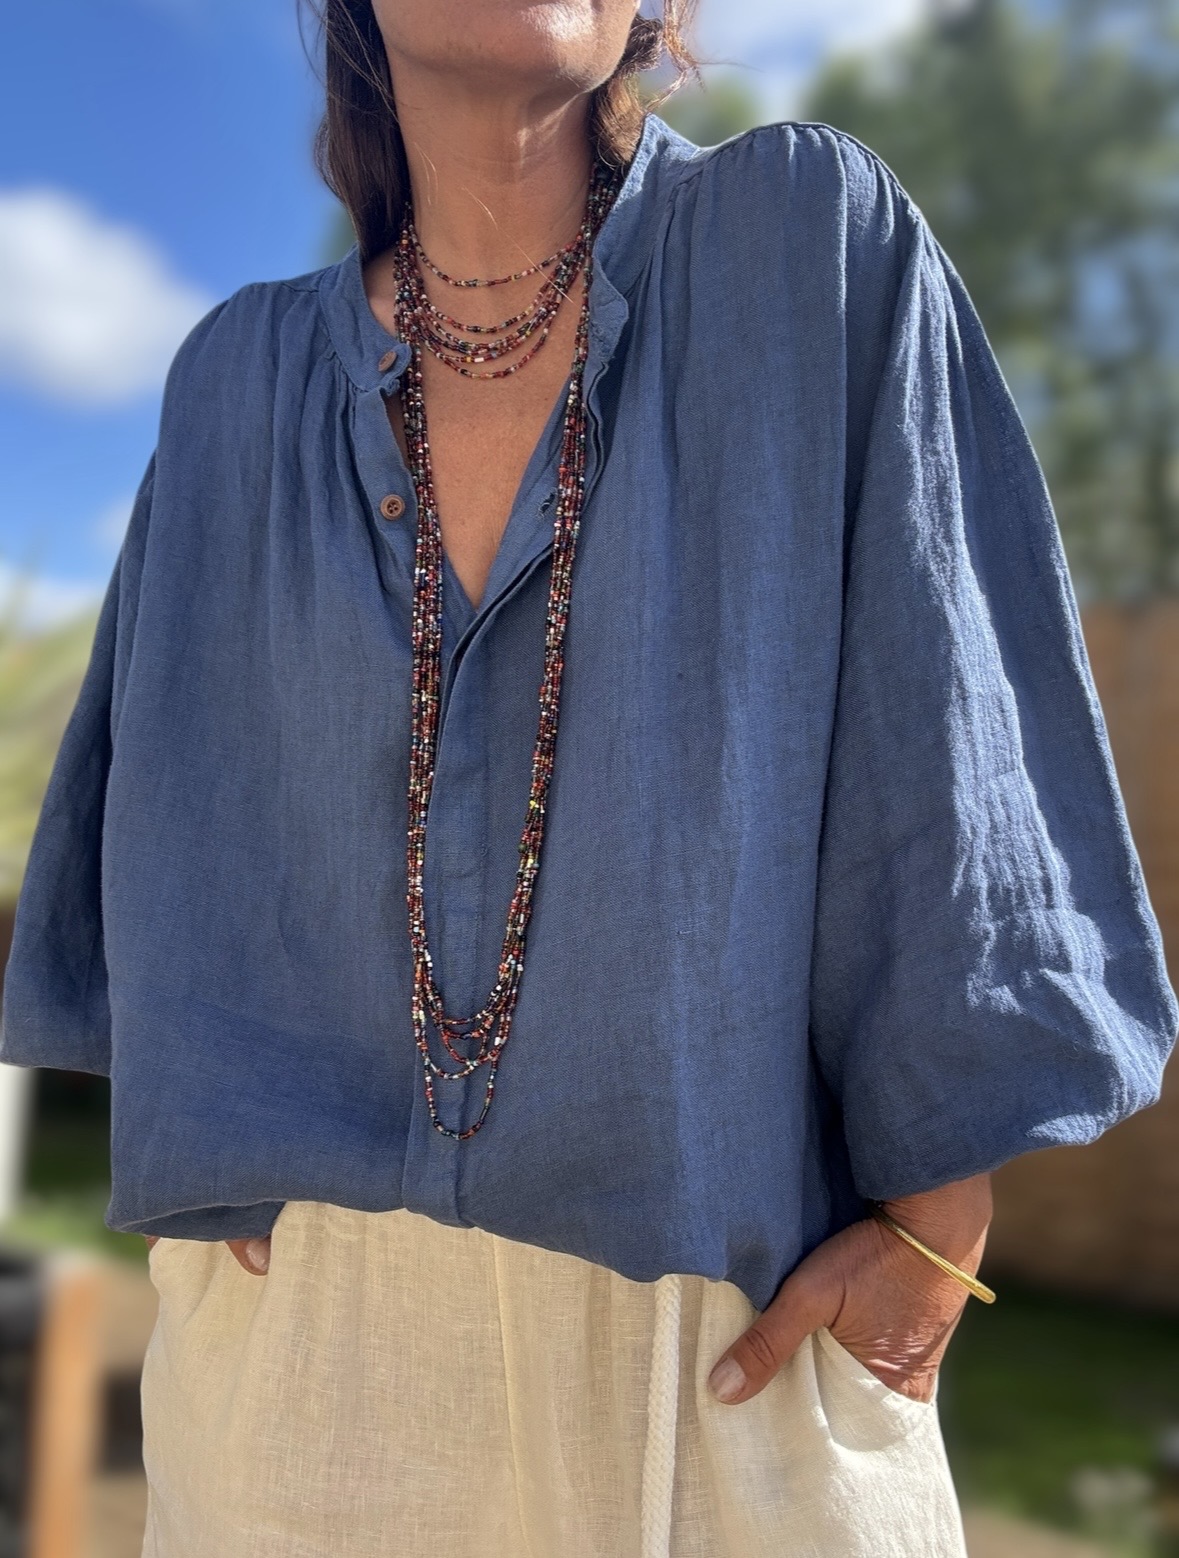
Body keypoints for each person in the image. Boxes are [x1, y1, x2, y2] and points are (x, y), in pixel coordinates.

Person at [2, 0, 1176, 1554]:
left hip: (730, 1362)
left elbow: (954, 738)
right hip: (298, 1390)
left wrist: (936, 1221)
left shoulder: (806, 244)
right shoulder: (234, 383)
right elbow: (148, 851)